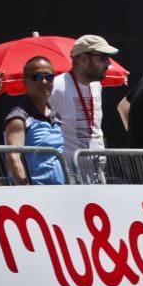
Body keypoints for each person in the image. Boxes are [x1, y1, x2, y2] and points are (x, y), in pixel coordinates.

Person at [49, 34, 116, 181]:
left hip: (97, 174)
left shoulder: (97, 86)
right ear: (83, 59)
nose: (109, 64)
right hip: (69, 178)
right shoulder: (57, 87)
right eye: (104, 58)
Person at [3, 57, 66, 185]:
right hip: (34, 197)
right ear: (25, 81)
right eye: (37, 77)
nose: (43, 82)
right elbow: (13, 158)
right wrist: (27, 193)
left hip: (60, 193)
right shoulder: (18, 118)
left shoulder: (56, 116)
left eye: (49, 77)